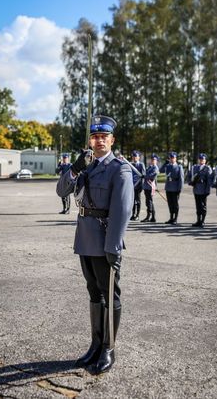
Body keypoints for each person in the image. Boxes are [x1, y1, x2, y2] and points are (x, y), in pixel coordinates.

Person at [56, 115, 133, 375]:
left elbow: (122, 211)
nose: (99, 140)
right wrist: (75, 168)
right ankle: (95, 345)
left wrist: (114, 247)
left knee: (110, 295)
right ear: (90, 140)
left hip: (104, 242)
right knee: (94, 293)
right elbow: (61, 191)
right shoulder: (85, 166)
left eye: (104, 136)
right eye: (95, 136)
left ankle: (109, 348)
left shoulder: (119, 168)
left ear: (111, 140)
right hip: (85, 240)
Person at [187, 153, 212, 227]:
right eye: (200, 159)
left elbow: (209, 181)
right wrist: (190, 182)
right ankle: (198, 220)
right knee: (198, 206)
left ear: (205, 160)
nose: (201, 160)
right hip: (196, 189)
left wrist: (207, 190)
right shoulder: (194, 168)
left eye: (203, 159)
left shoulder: (207, 168)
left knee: (203, 206)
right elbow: (189, 176)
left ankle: (202, 221)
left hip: (204, 189)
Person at [160, 152, 184, 224]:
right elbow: (161, 170)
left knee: (175, 204)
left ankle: (175, 218)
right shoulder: (167, 166)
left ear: (175, 158)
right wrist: (165, 163)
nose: (172, 159)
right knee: (170, 203)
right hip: (168, 187)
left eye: (173, 158)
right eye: (170, 158)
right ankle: (171, 218)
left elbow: (181, 178)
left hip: (175, 187)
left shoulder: (179, 167)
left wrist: (180, 188)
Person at [141, 154, 159, 223]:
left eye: (154, 160)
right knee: (148, 202)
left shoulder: (155, 168)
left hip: (151, 186)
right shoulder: (149, 167)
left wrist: (145, 176)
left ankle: (150, 216)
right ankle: (152, 217)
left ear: (156, 161)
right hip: (146, 186)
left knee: (149, 202)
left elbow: (152, 176)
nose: (152, 161)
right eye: (152, 160)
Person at [130, 151, 146, 221]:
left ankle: (137, 215)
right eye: (133, 156)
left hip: (138, 185)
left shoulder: (141, 165)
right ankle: (133, 214)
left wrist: (141, 185)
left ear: (139, 157)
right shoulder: (131, 164)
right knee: (132, 201)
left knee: (138, 200)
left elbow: (143, 175)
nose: (134, 158)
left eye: (136, 156)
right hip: (132, 185)